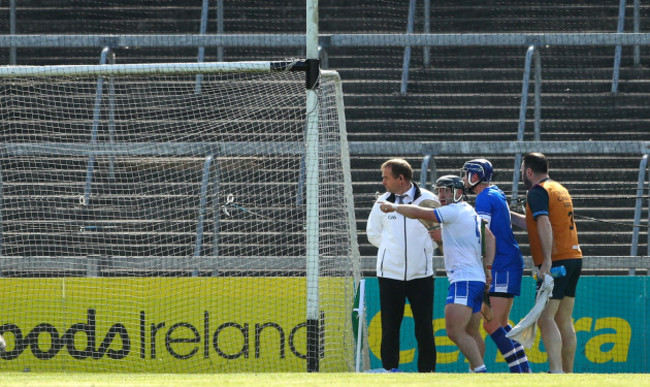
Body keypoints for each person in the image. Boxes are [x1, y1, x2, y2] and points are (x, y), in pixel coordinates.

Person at [379, 174, 496, 373]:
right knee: (471, 332)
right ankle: (476, 374)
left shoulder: (453, 211)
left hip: (464, 280)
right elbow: (490, 238)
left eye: (447, 190)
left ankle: (480, 371)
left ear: (458, 192)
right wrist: (488, 269)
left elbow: (417, 212)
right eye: (439, 190)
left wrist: (394, 207)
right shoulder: (469, 210)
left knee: (454, 331)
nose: (441, 195)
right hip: (475, 278)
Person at [510, 152, 583, 373]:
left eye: (522, 169)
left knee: (544, 318)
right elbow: (536, 223)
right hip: (574, 258)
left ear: (529, 171)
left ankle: (556, 372)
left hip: (557, 261)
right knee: (563, 319)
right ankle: (567, 374)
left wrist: (547, 261)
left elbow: (544, 223)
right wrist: (508, 214)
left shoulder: (537, 191)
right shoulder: (559, 188)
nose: (521, 174)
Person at [366, 158, 439, 372]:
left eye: (386, 177)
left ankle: (427, 374)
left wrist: (424, 249)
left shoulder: (428, 199)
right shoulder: (381, 203)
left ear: (401, 178)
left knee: (424, 328)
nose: (383, 182)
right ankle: (391, 372)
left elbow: (438, 231)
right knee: (390, 327)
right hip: (389, 275)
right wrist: (391, 249)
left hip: (422, 275)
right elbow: (373, 233)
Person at [461, 159, 531, 373]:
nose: (463, 179)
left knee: (493, 324)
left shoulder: (484, 198)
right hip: (504, 262)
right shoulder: (495, 192)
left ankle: (520, 373)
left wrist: (484, 265)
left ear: (475, 176)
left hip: (502, 264)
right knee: (497, 323)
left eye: (466, 174)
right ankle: (524, 372)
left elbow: (483, 234)